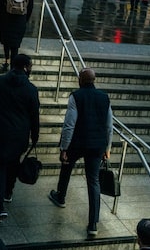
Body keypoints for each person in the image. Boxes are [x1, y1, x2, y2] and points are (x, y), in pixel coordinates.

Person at [48, 67, 113, 237]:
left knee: (66, 167)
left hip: (77, 143)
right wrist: (108, 148)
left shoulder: (75, 96)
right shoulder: (104, 98)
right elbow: (109, 126)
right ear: (94, 80)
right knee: (93, 182)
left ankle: (60, 196)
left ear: (80, 80)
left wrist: (64, 147)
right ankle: (93, 224)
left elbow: (69, 124)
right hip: (97, 145)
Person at [0, 54, 40, 224]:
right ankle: (8, 192)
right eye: (30, 66)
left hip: (1, 131)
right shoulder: (31, 89)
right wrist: (35, 134)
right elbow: (34, 115)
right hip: (19, 134)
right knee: (13, 162)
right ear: (25, 67)